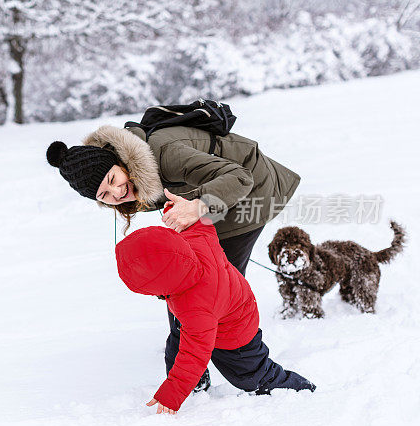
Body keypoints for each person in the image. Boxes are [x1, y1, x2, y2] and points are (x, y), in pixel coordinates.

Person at [46, 122, 301, 391]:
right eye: (104, 195)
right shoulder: (135, 172)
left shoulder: (164, 155)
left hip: (249, 192)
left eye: (112, 180)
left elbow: (240, 177)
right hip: (202, 201)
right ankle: (192, 372)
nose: (116, 193)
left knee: (213, 287)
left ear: (119, 162)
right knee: (185, 278)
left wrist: (199, 206)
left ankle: (259, 375)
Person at [114, 202, 315, 413]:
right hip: (224, 305)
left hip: (235, 334)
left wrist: (172, 393)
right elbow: (202, 223)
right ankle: (197, 387)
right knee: (175, 348)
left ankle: (300, 389)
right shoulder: (195, 241)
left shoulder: (195, 308)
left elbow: (194, 355)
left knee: (251, 377)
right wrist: (176, 208)